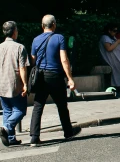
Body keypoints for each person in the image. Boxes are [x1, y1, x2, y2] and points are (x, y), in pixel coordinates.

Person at [29, 15, 81, 146]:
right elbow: (64, 59)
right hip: (55, 75)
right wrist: (70, 78)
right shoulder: (59, 38)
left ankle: (34, 137)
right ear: (54, 25)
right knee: (62, 105)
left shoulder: (35, 40)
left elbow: (33, 60)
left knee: (38, 105)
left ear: (42, 26)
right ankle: (68, 132)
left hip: (41, 76)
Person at [0, 21, 28, 147]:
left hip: (1, 84)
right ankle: (6, 128)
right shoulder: (19, 47)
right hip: (14, 84)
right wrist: (25, 84)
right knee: (20, 110)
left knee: (7, 111)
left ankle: (11, 138)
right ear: (14, 32)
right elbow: (22, 68)